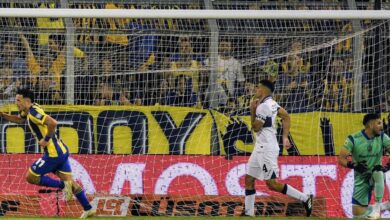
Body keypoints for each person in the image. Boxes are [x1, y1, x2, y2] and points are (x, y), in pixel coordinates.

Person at [0, 88, 95, 218]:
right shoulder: (29, 110)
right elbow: (20, 120)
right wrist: (3, 115)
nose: (16, 103)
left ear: (26, 101)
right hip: (61, 151)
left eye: (18, 100)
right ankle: (88, 208)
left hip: (53, 154)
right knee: (72, 183)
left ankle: (63, 185)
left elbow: (52, 123)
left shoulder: (33, 113)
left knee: (30, 176)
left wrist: (46, 139)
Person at [244, 79, 313, 217]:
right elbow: (286, 116)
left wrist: (252, 110)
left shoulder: (263, 107)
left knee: (272, 184)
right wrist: (285, 137)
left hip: (267, 148)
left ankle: (305, 198)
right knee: (249, 179)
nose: (255, 90)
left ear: (262, 90)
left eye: (257, 88)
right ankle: (248, 213)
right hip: (261, 147)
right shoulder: (272, 103)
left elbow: (256, 127)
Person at [338, 113, 390, 219]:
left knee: (378, 171)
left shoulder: (382, 137)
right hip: (361, 177)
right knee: (358, 214)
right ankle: (384, 205)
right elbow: (341, 159)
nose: (382, 126)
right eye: (379, 123)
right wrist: (354, 165)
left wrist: (386, 167)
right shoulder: (353, 139)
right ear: (370, 125)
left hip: (376, 176)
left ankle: (376, 208)